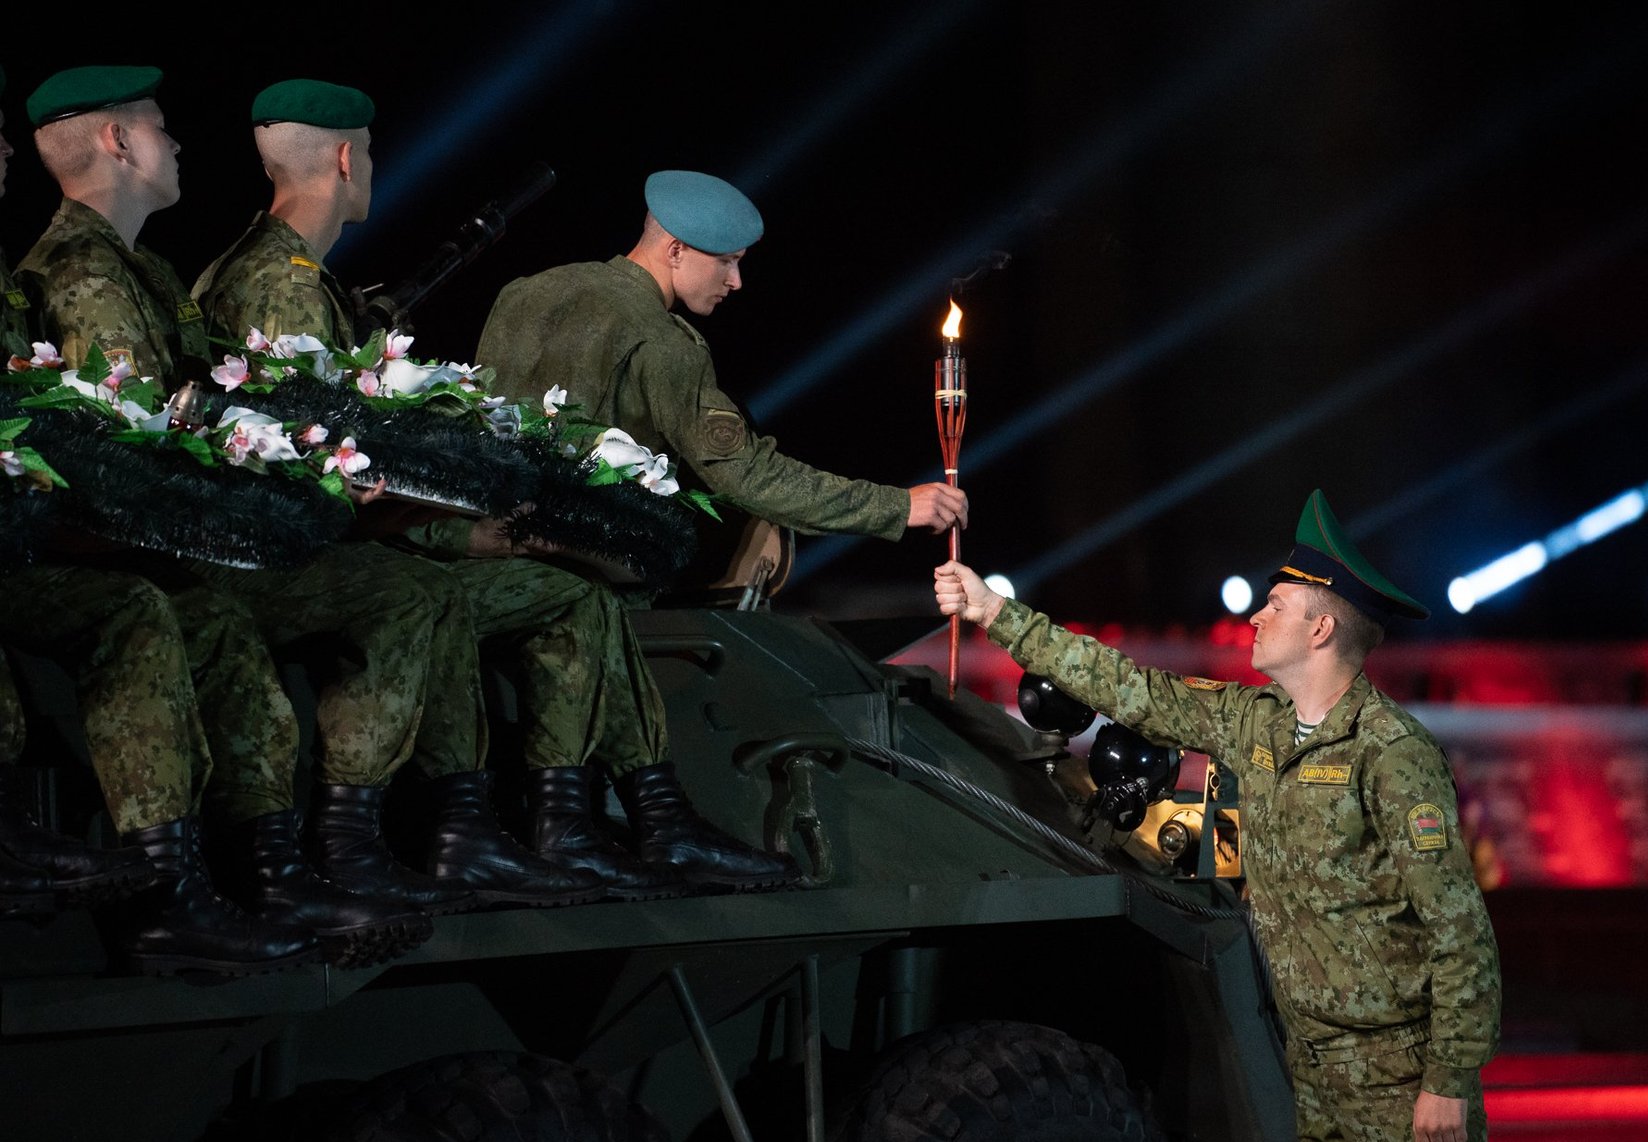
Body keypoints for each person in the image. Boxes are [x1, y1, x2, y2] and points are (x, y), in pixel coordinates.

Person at [18, 64, 599, 927]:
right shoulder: (88, 275)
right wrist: (325, 488)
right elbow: (139, 447)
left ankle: (338, 852)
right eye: (160, 127)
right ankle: (347, 847)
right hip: (184, 548)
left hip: (214, 533)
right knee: (405, 591)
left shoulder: (141, 270)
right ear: (118, 140)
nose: (175, 143)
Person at [193, 80, 788, 895]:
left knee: (571, 592)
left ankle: (612, 821)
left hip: (297, 543)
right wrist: (453, 523)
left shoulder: (264, 270)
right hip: (288, 560)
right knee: (458, 592)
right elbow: (315, 458)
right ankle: (469, 828)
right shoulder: (286, 283)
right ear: (346, 158)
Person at [933, 490, 1501, 1142]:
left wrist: (1447, 1080)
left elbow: (1459, 928)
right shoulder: (1253, 723)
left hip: (1395, 1071)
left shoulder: (1392, 751)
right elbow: (1129, 687)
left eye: (1276, 606)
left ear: (1320, 630)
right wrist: (994, 611)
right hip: (1308, 1062)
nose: (1257, 616)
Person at [473, 168, 968, 885]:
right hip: (590, 587)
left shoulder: (525, 293)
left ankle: (635, 821)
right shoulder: (661, 339)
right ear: (674, 249)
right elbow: (748, 475)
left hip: (485, 558)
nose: (737, 282)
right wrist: (898, 507)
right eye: (726, 262)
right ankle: (639, 824)